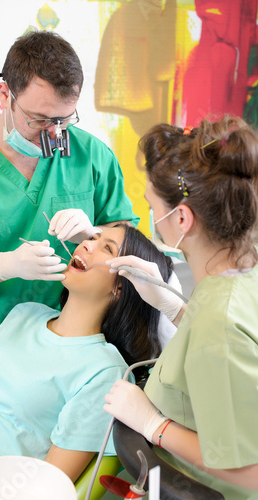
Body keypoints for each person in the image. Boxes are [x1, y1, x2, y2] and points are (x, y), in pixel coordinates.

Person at [0, 29, 139, 389]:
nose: (55, 134)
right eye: (40, 120)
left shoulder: (90, 155)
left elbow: (131, 243)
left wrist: (95, 234)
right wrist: (4, 265)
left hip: (72, 340)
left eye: (64, 120)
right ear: (5, 94)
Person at [0, 225, 173, 498]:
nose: (86, 245)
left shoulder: (105, 372)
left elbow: (46, 482)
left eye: (107, 248)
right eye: (92, 238)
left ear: (121, 287)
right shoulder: (25, 314)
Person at [104, 115, 258, 500]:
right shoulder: (238, 272)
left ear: (183, 218)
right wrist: (175, 309)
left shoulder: (218, 323)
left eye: (153, 208)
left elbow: (251, 472)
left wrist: (154, 425)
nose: (153, 218)